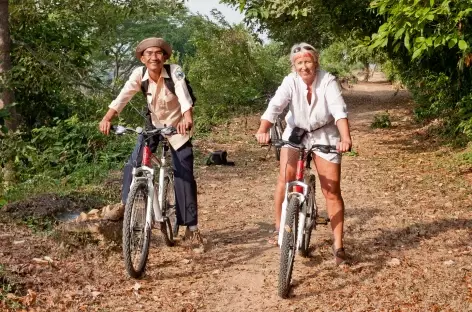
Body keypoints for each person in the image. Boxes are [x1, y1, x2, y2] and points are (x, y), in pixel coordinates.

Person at [98, 37, 203, 249]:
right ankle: (127, 207)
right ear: (142, 58)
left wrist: (187, 119)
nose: (154, 57)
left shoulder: (174, 72)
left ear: (164, 56)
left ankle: (191, 229)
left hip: (177, 126)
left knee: (184, 175)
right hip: (153, 125)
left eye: (158, 53)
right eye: (149, 54)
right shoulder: (139, 75)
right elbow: (123, 96)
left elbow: (184, 97)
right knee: (134, 163)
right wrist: (108, 117)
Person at [255, 42, 352, 265]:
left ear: (315, 62)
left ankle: (338, 246)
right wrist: (262, 130)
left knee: (332, 190)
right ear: (294, 65)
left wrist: (345, 138)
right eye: (299, 63)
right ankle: (280, 227)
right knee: (286, 178)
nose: (304, 67)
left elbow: (339, 110)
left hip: (323, 133)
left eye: (308, 61)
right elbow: (275, 106)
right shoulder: (290, 81)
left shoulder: (327, 80)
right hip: (296, 132)